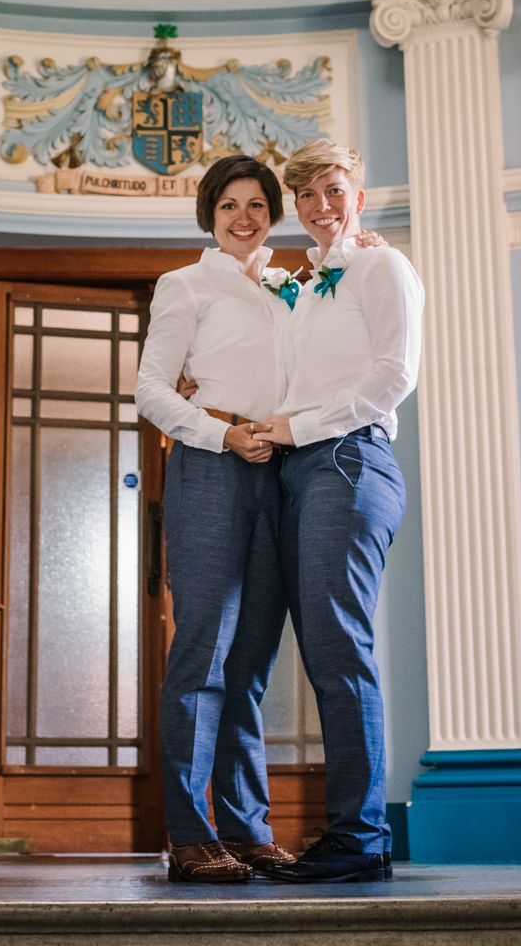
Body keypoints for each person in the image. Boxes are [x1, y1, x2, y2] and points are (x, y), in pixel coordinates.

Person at [252, 138, 422, 883]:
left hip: (349, 460)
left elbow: (395, 376)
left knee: (338, 650)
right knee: (323, 653)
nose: (321, 206)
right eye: (307, 195)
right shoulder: (312, 281)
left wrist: (301, 428)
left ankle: (360, 838)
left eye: (333, 190)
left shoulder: (383, 266)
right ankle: (352, 833)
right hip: (298, 470)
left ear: (360, 192)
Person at [134, 154, 297, 883]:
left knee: (252, 663)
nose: (243, 216)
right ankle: (191, 834)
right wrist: (220, 430)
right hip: (211, 465)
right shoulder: (184, 284)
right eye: (229, 203)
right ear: (209, 213)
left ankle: (247, 827)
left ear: (273, 212)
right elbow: (150, 390)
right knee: (201, 655)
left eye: (257, 203)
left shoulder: (296, 288)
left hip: (284, 471)